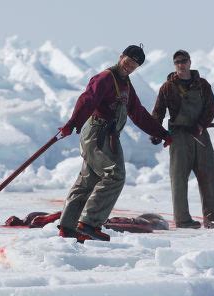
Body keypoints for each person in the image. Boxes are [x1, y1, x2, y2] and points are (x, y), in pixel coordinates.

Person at [58, 44, 172, 241]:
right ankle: (89, 224)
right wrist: (72, 123)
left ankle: (67, 228)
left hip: (107, 135)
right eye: (128, 62)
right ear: (121, 57)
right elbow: (88, 100)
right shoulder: (105, 78)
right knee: (115, 175)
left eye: (134, 65)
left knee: (88, 180)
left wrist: (162, 133)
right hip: (98, 133)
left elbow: (138, 113)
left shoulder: (125, 84)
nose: (130, 66)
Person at [150, 49, 214, 229]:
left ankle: (212, 218)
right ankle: (183, 220)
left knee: (208, 175)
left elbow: (210, 108)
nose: (181, 65)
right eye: (177, 62)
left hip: (200, 134)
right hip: (178, 136)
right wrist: (155, 132)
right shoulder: (167, 87)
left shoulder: (203, 85)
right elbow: (158, 111)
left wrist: (200, 125)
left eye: (184, 61)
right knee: (179, 178)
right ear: (174, 65)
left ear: (190, 62)